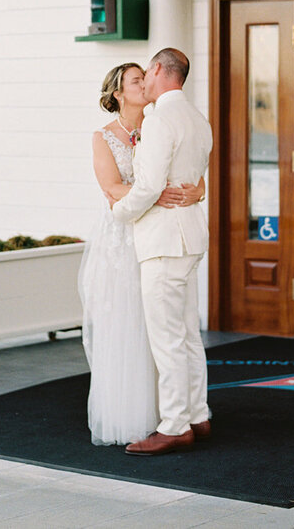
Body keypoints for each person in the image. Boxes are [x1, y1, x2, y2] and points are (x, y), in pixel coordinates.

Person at [78, 61, 203, 446]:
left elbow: (188, 173)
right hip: (123, 235)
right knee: (129, 322)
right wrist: (146, 198)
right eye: (136, 80)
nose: (143, 83)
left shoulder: (161, 122)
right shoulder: (104, 136)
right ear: (118, 93)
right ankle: (134, 411)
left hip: (159, 235)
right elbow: (111, 187)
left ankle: (173, 417)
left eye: (145, 75)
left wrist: (196, 191)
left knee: (165, 330)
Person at [111, 48, 213, 456]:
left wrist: (119, 213)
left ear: (156, 70)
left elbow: (150, 185)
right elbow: (194, 180)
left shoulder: (160, 120)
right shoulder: (198, 119)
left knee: (168, 338)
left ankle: (174, 425)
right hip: (189, 239)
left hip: (164, 241)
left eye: (146, 74)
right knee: (188, 334)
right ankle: (198, 414)